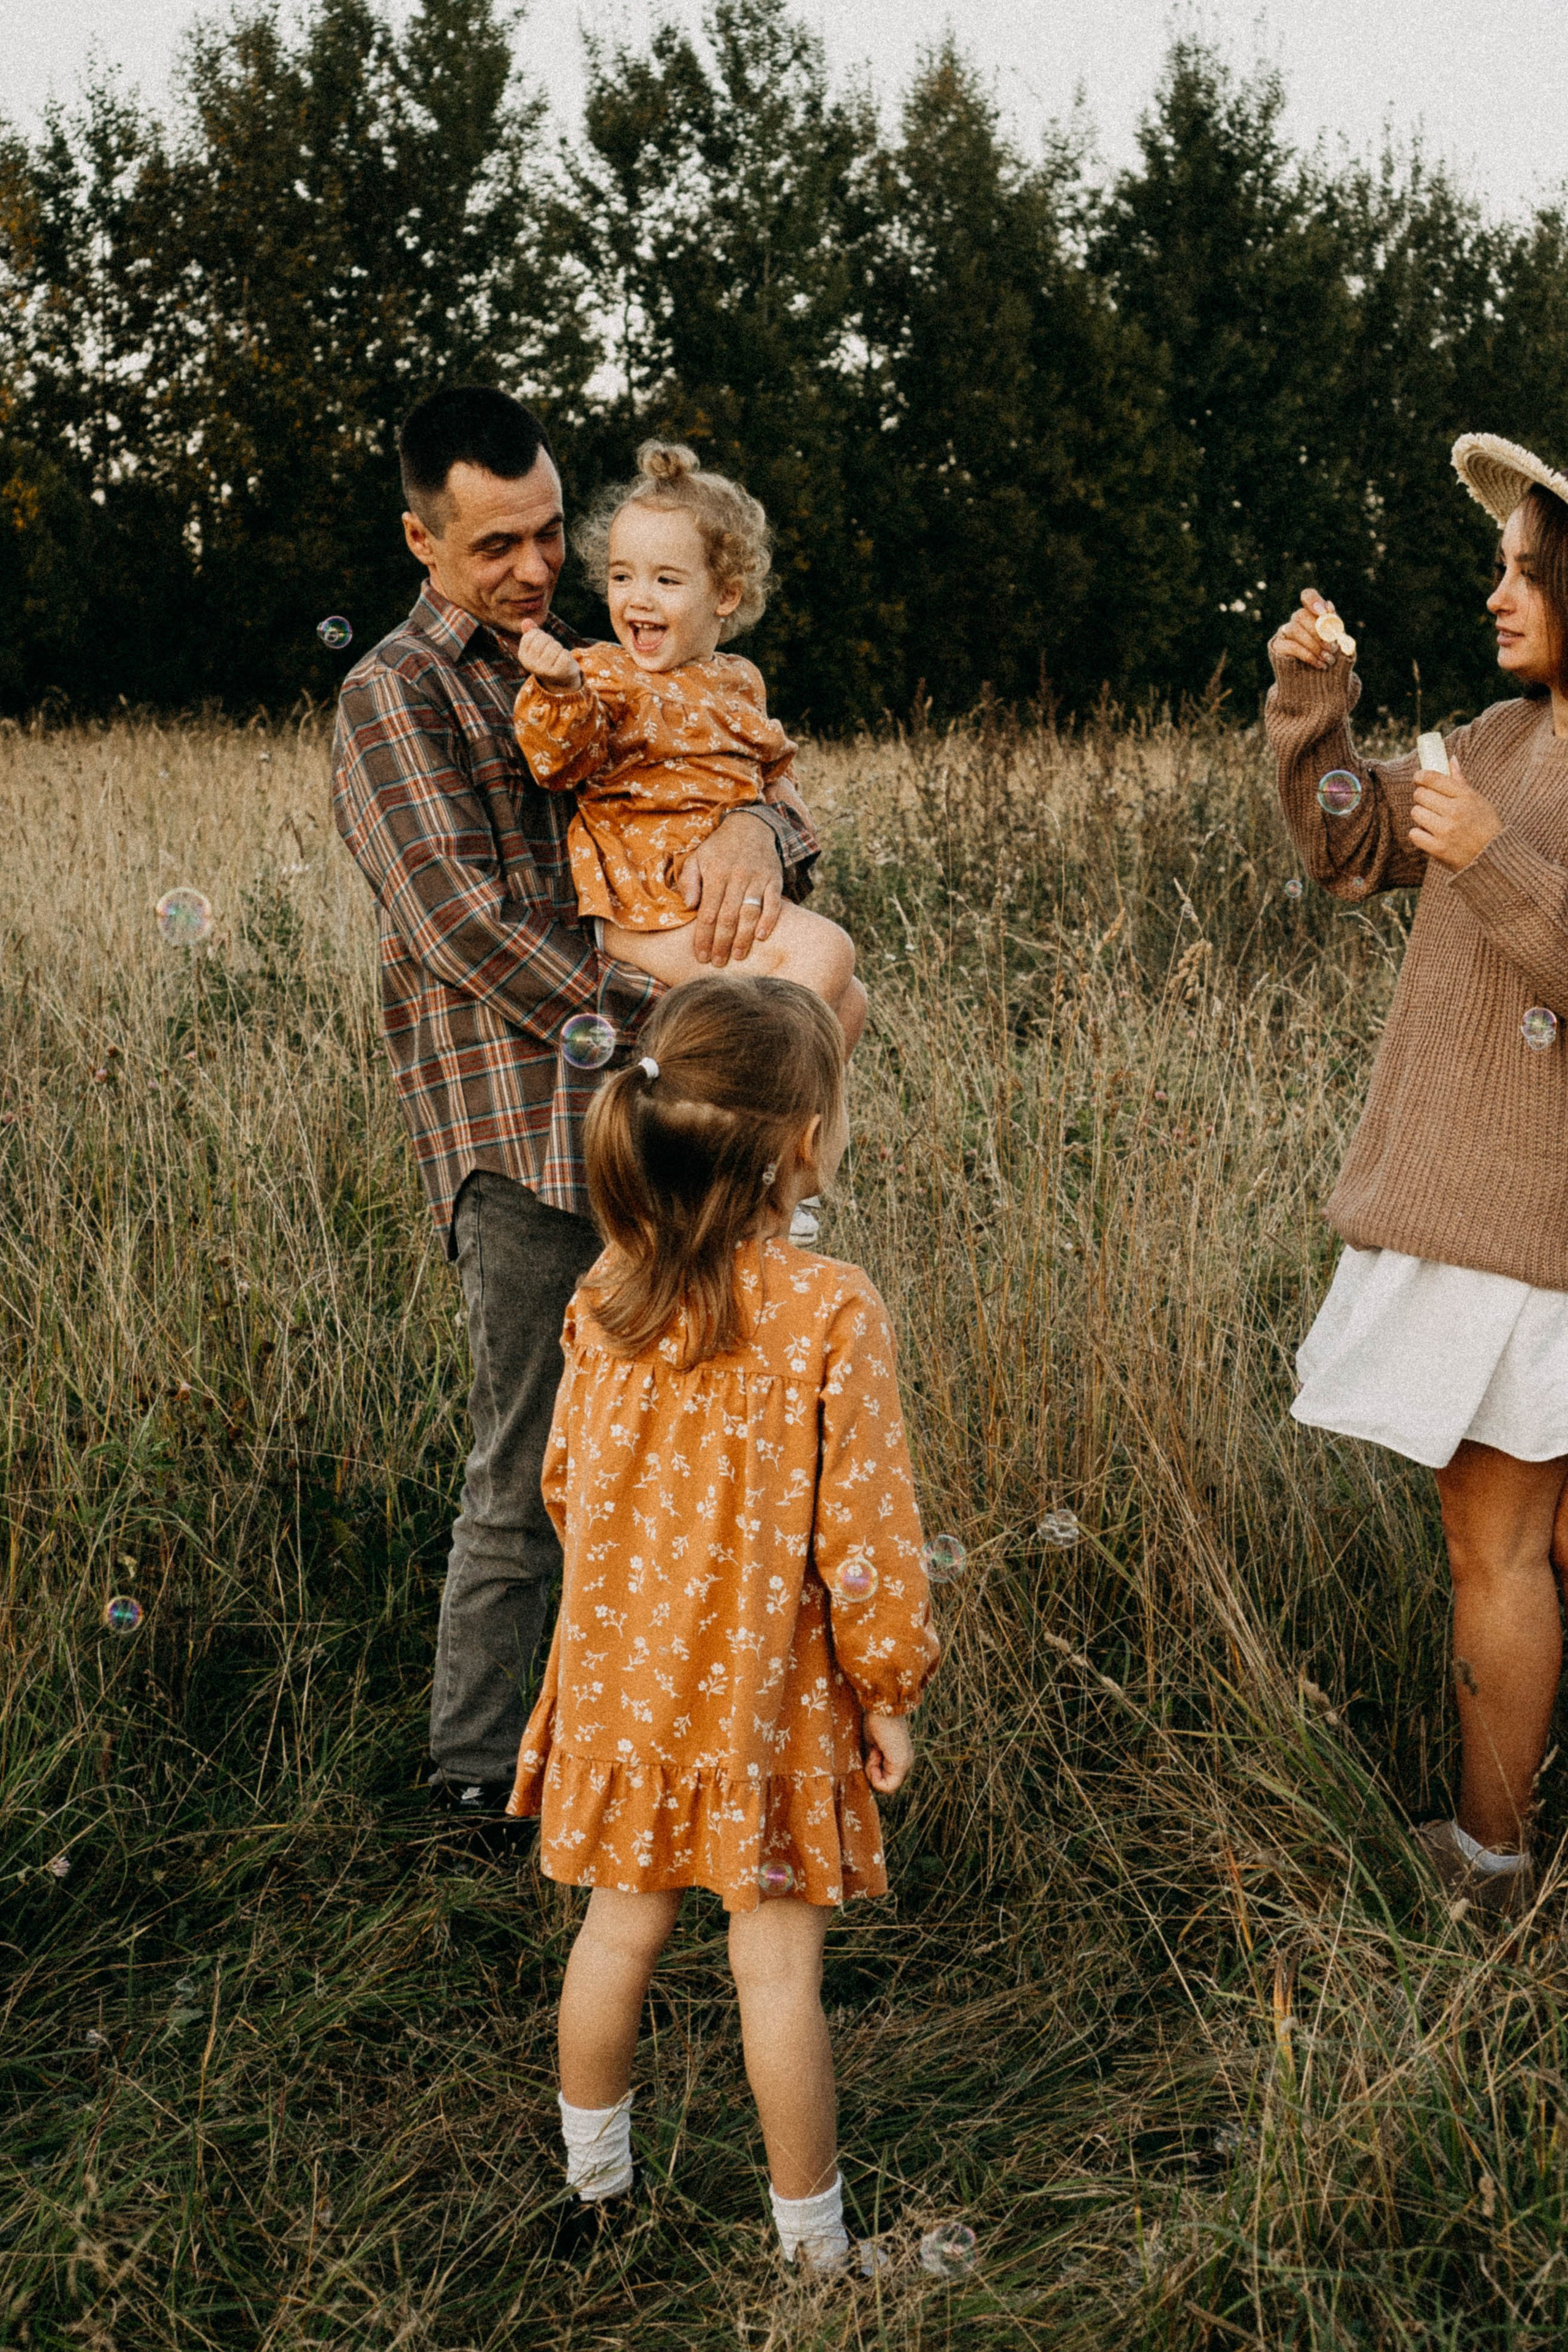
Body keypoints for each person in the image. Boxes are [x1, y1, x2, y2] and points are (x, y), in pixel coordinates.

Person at [331, 386, 821, 1827]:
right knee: (525, 1468)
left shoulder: (620, 655)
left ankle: (650, 1756)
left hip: (677, 1132)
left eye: (550, 532)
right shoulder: (395, 697)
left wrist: (760, 831)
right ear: (422, 542)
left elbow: (751, 784)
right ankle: (477, 1781)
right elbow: (460, 923)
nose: (537, 566)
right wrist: (666, 1025)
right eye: (497, 546)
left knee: (688, 1450)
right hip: (523, 1136)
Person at [507, 974, 940, 2271]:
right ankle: (813, 2252)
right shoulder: (829, 1309)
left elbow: (564, 1488)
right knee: (777, 1975)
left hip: (620, 1684)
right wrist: (887, 1690)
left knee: (616, 1933)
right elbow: (865, 1542)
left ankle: (593, 2197)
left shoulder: (607, 1293)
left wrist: (634, 1598)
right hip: (771, 1703)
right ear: (803, 1140)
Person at [1267, 431, 1568, 1915]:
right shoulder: (1498, 737)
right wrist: (1311, 710)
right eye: (1497, 567)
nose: (1494, 594)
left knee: (1498, 1545)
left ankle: (1489, 1862)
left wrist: (1493, 858)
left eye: (1525, 571)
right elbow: (1346, 845)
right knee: (1510, 1538)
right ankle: (1500, 1856)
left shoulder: (1506, 781)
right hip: (1488, 1218)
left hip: (1535, 1234)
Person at [512, 441, 865, 1050]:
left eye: (666, 580)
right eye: (622, 576)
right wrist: (561, 688)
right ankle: (736, 1103)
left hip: (712, 903)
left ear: (725, 595)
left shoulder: (739, 680)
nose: (638, 597)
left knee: (851, 1003)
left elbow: (773, 768)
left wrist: (773, 813)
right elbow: (560, 760)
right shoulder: (602, 673)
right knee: (828, 952)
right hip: (644, 908)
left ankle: (776, 1115)